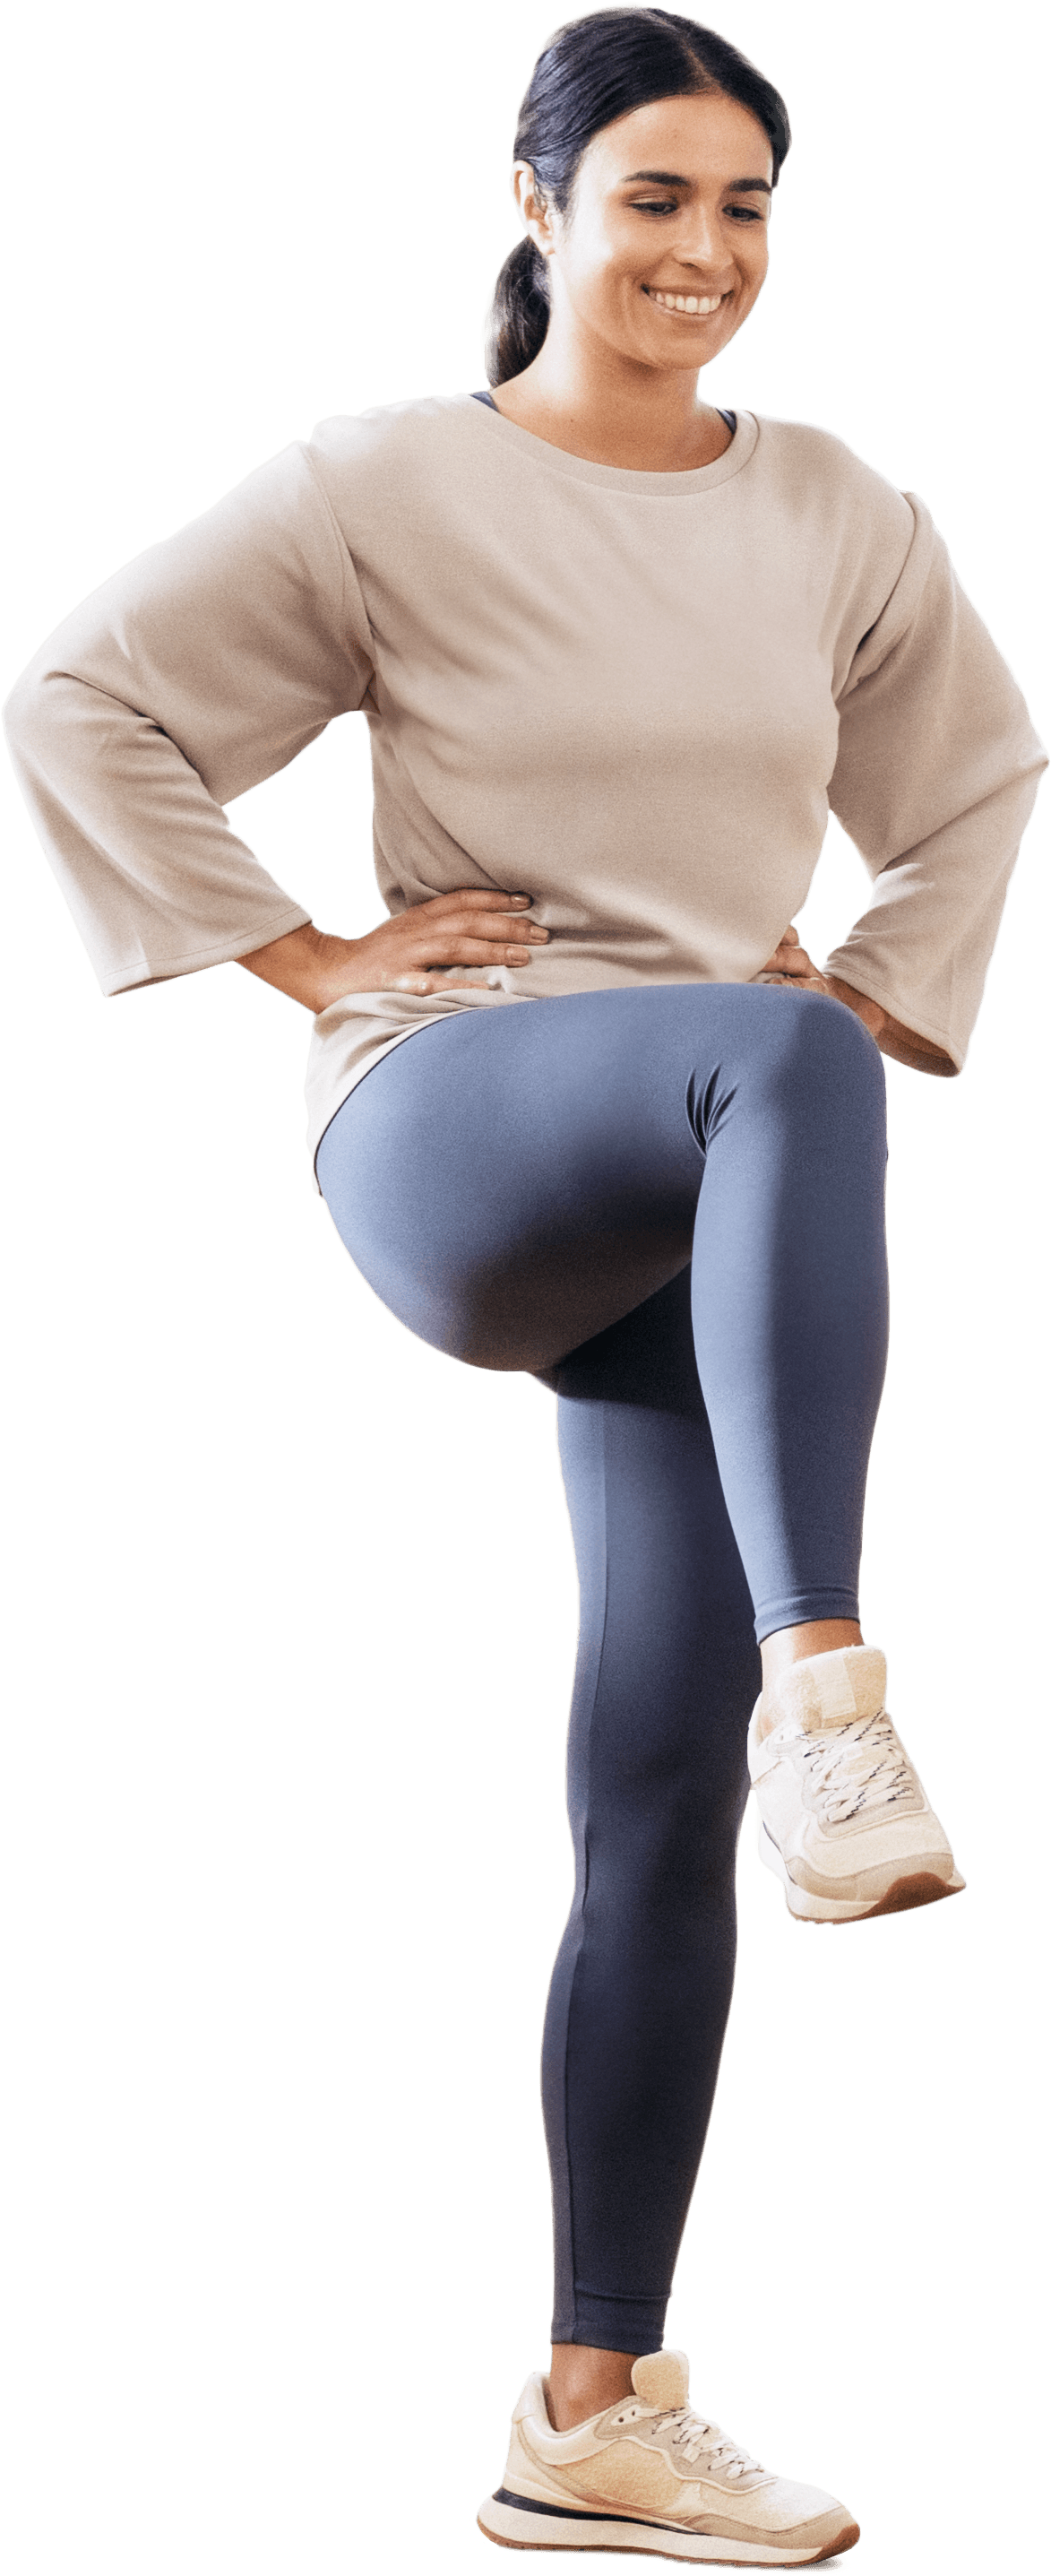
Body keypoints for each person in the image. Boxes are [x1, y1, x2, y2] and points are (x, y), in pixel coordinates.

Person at [3, 6, 1046, 2563]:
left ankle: (594, 2412)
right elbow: (82, 698)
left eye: (745, 209)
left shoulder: (833, 509)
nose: (704, 251)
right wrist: (301, 954)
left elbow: (981, 776)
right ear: (540, 206)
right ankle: (841, 1694)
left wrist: (873, 981)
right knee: (778, 1052)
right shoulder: (388, 485)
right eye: (654, 197)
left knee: (651, 1793)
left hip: (711, 1197)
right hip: (460, 1128)